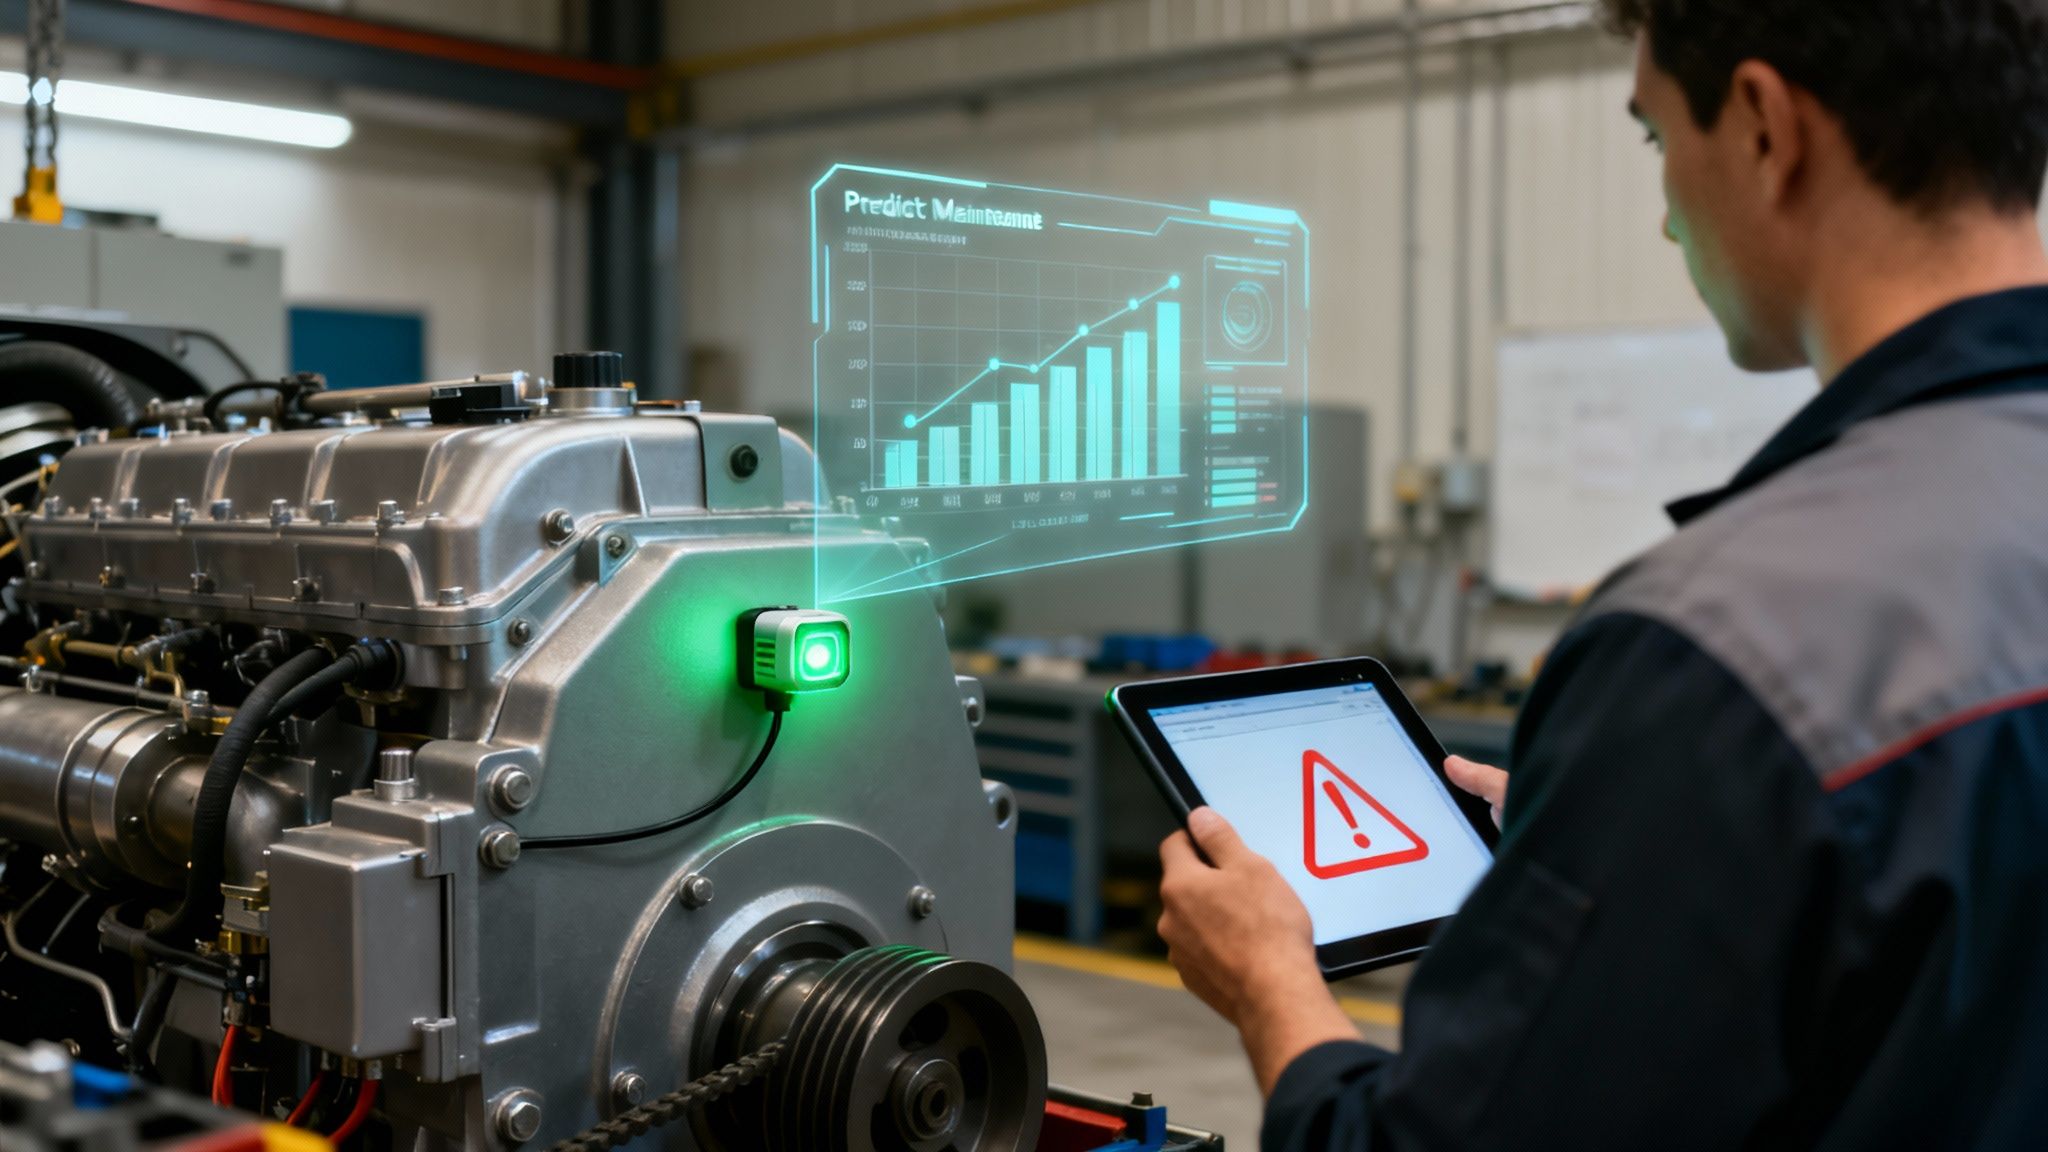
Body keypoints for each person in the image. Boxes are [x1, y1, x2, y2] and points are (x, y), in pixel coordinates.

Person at [1155, 2, 2048, 1148]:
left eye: (1655, 136)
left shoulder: (1713, 648)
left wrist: (1269, 981)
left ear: (1763, 128)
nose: (1666, 215)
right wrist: (1636, 829)